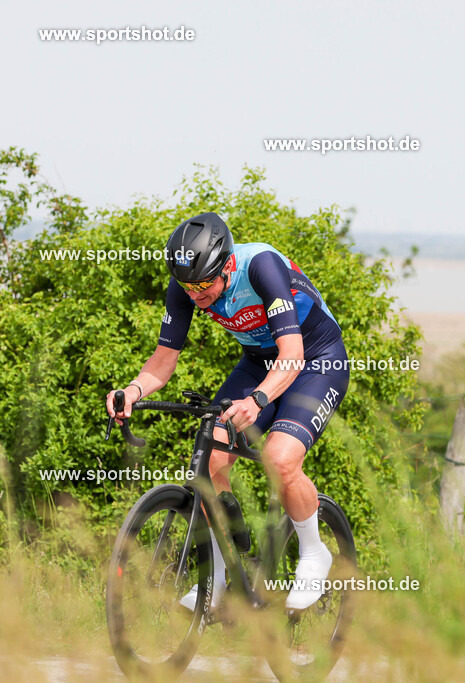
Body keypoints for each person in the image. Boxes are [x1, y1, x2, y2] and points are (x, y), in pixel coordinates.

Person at [106, 212, 349, 611]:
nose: (196, 296)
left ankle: (313, 551)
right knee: (210, 457)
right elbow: (163, 360)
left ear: (227, 264)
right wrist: (132, 390)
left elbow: (292, 355)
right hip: (259, 362)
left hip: (315, 361)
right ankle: (220, 574)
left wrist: (256, 401)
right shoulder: (187, 284)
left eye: (203, 285)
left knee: (279, 458)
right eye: (188, 287)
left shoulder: (261, 267)